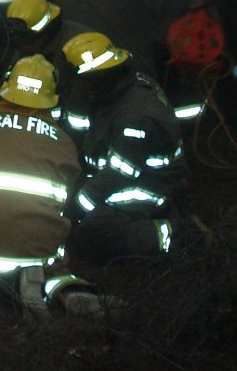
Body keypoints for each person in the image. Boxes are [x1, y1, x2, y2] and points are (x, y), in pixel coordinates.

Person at [0, 54, 102, 319]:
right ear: (52, 97)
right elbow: (65, 205)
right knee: (53, 262)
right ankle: (65, 290)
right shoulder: (65, 143)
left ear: (8, 87)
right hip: (40, 250)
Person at [59, 32, 203, 263]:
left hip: (147, 184)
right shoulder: (122, 86)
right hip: (117, 173)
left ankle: (181, 234)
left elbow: (120, 173)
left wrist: (77, 207)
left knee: (93, 236)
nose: (76, 83)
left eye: (81, 78)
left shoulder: (134, 117)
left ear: (96, 78)